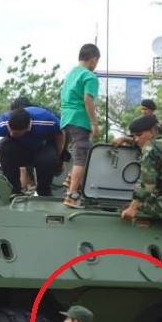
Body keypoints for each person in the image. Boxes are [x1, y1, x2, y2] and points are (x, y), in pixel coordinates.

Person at [60, 44, 101, 208]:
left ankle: (70, 179)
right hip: (80, 120)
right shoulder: (90, 77)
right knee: (81, 157)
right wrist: (94, 124)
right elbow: (87, 100)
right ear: (94, 60)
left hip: (66, 119)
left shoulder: (70, 74)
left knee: (86, 151)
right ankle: (72, 195)